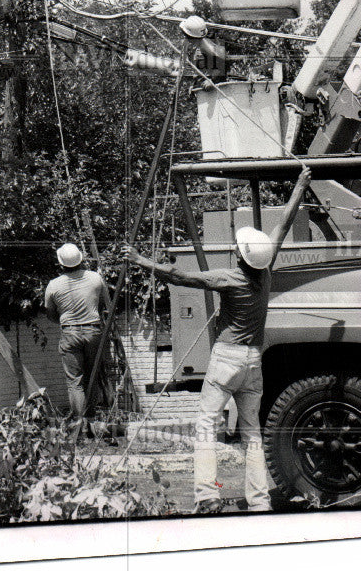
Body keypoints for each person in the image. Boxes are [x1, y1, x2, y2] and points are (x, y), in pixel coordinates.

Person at [125, 166, 311, 515]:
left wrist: (141, 261)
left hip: (226, 357)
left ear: (241, 255)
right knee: (252, 433)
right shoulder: (266, 273)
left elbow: (181, 276)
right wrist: (300, 185)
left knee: (206, 425)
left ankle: (206, 496)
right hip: (253, 360)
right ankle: (259, 501)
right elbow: (284, 222)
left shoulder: (230, 278)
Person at [44, 242, 107, 422]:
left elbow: (50, 314)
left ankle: (80, 424)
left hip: (70, 333)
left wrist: (67, 323)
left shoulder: (53, 285)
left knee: (75, 382)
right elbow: (101, 304)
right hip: (93, 331)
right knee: (92, 376)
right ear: (81, 259)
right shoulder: (95, 278)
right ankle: (92, 420)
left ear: (61, 263)